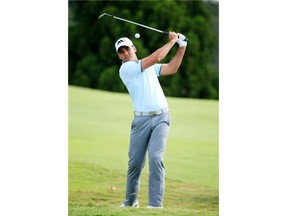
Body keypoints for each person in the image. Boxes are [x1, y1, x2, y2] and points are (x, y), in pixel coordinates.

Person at [115, 32, 187, 208]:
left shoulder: (147, 68)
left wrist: (182, 47)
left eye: (127, 49)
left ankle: (155, 205)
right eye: (121, 52)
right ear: (119, 56)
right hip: (141, 121)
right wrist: (172, 41)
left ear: (134, 48)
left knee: (155, 158)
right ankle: (130, 202)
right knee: (135, 163)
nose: (125, 53)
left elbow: (171, 67)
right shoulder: (127, 69)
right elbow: (157, 56)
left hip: (162, 117)